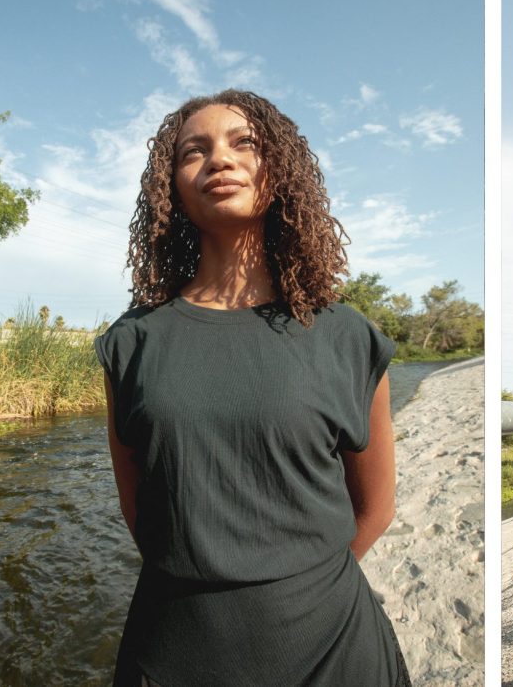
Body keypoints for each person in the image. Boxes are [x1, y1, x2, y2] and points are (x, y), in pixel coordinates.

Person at [94, 89, 412, 686]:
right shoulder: (130, 343)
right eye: (195, 150)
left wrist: (297, 589)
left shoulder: (347, 335)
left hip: (333, 649)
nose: (220, 159)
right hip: (172, 650)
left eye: (244, 143)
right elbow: (141, 511)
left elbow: (376, 506)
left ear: (281, 171)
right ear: (171, 188)